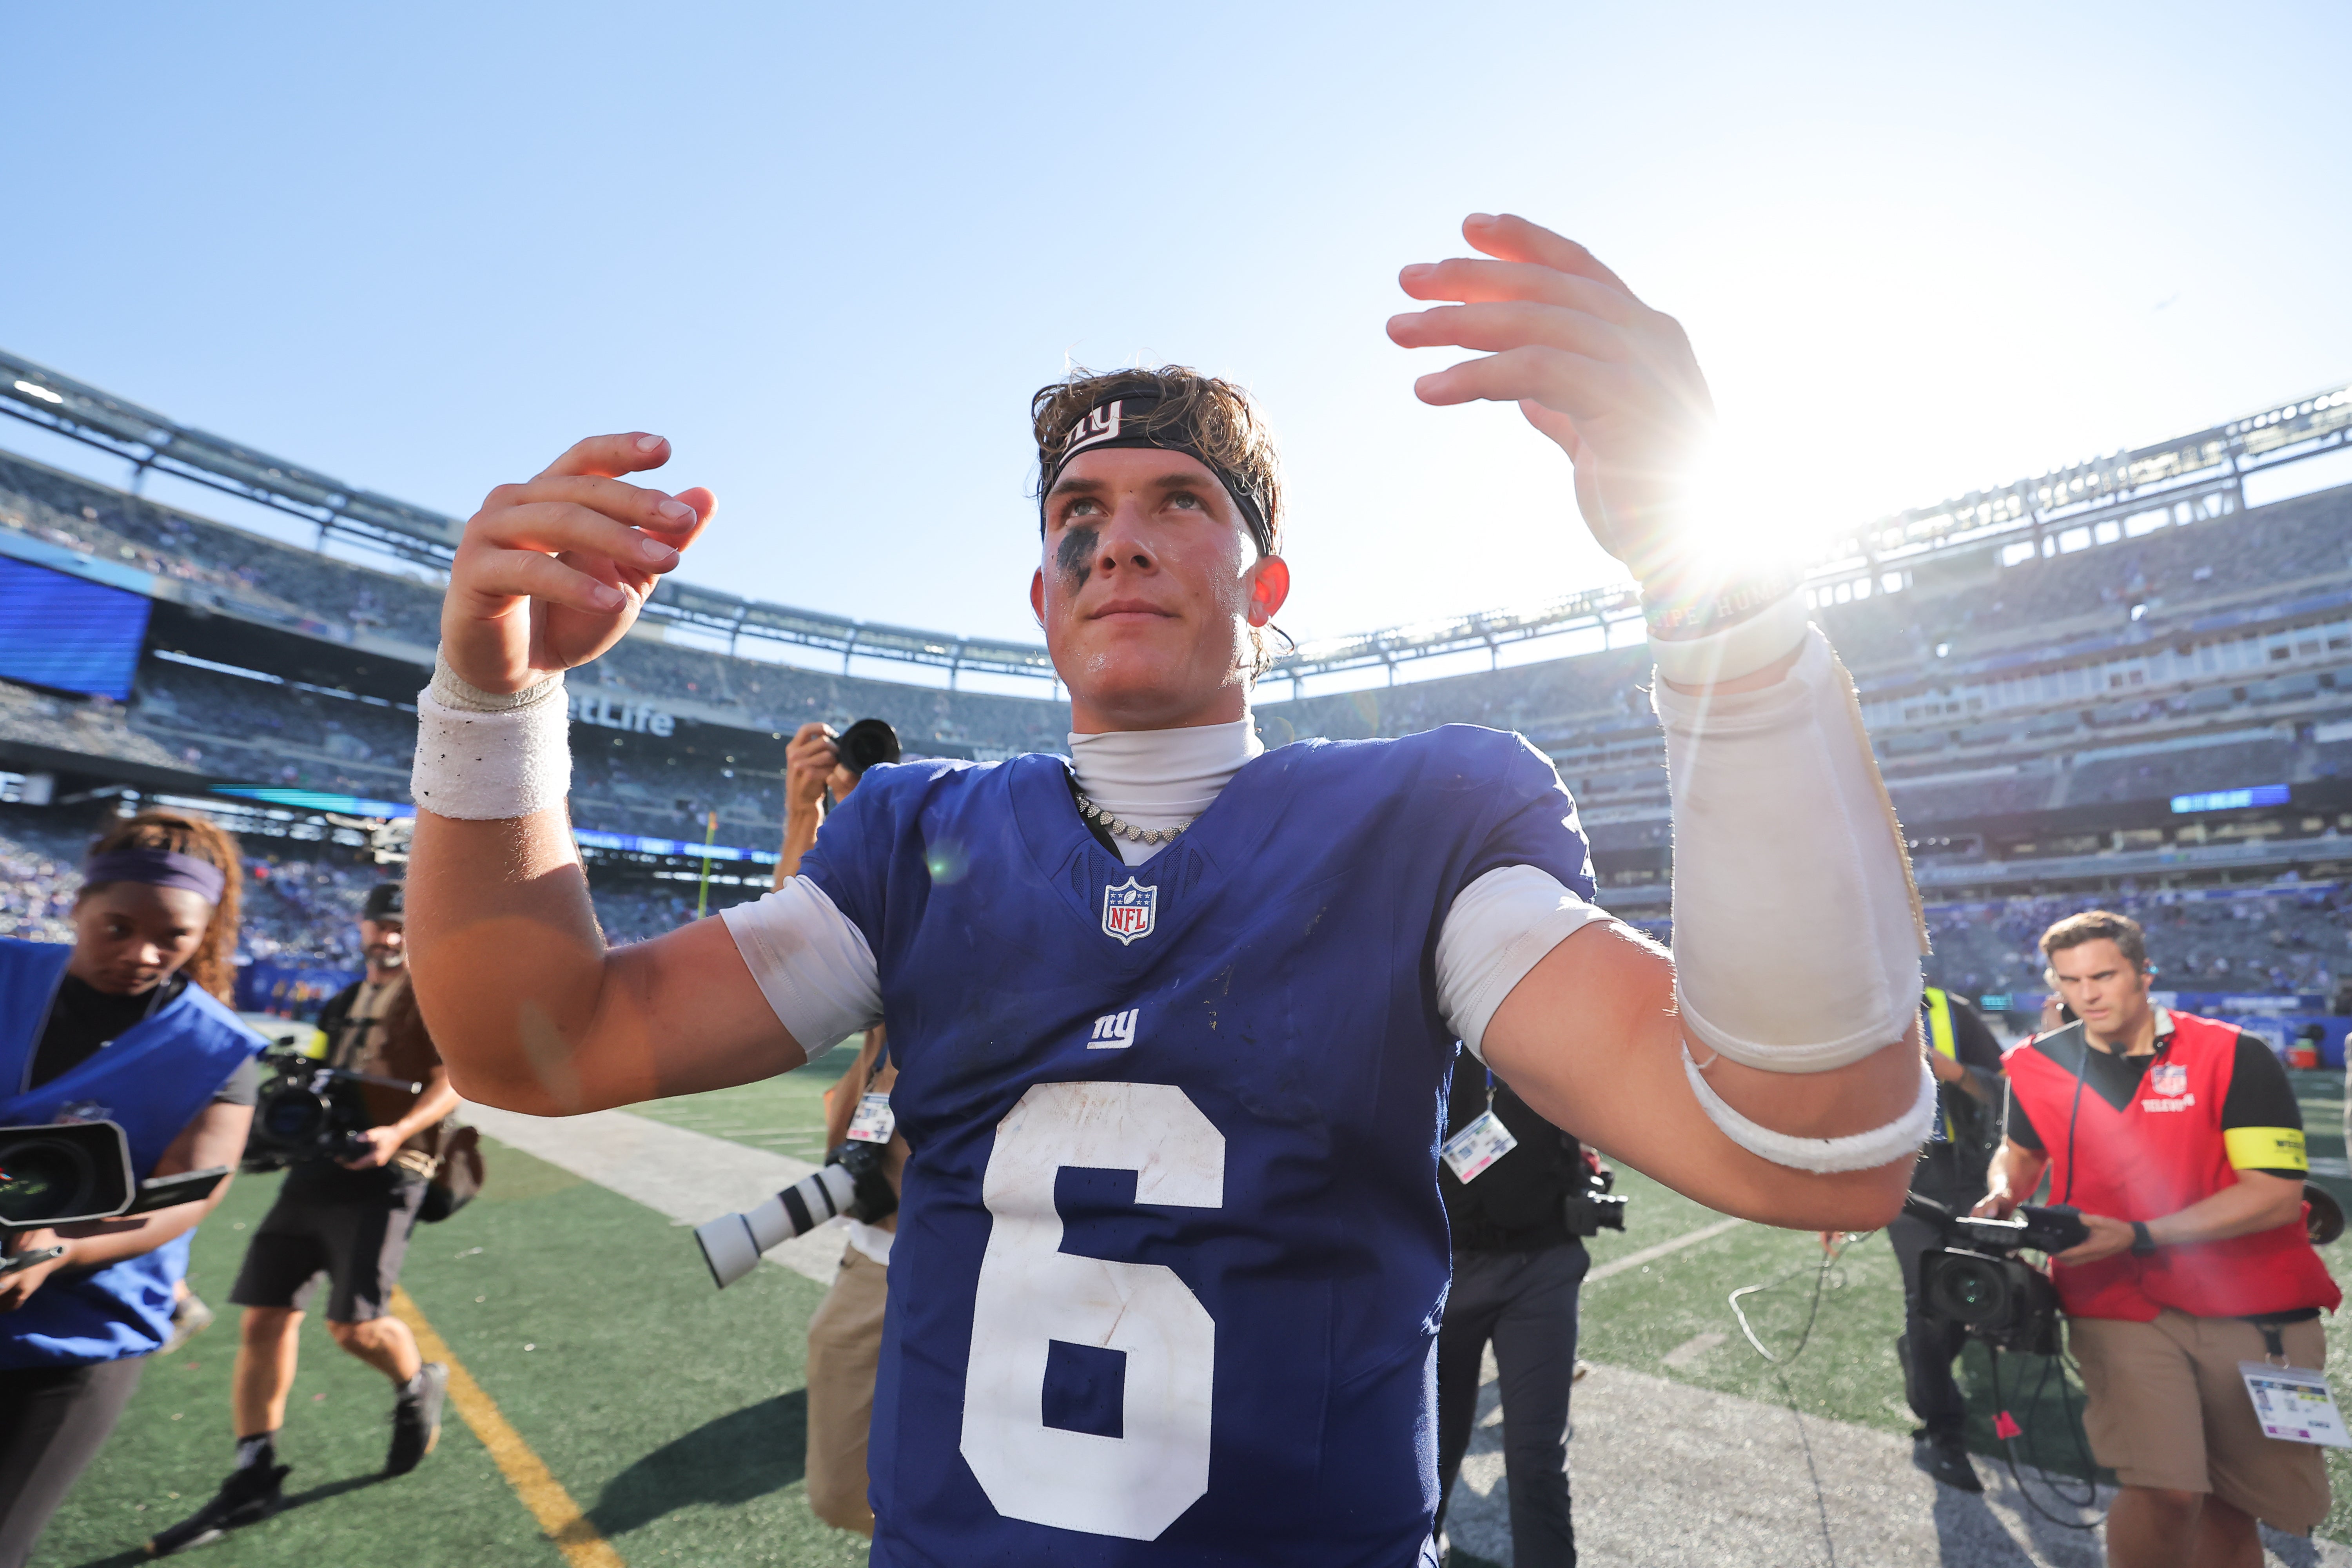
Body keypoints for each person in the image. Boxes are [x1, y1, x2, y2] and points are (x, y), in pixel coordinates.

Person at [407, 212, 1936, 1562]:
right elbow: (537, 1041)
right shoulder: (915, 843)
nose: (1118, 539)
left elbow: (1814, 1149)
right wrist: (493, 699)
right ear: (1039, 600)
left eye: (1177, 503)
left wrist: (1722, 599)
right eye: (1080, 517)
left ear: (1266, 590)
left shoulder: (1416, 825)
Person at [1977, 910, 2337, 1567]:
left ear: (2146, 973)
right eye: (2069, 980)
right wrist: (2003, 1189)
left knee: (2235, 1507)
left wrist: (2142, 1234)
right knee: (2167, 1490)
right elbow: (2019, 1152)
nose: (2087, 994)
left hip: (2254, 1308)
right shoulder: (2035, 1065)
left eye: (2103, 975)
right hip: (2115, 1303)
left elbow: (2275, 1192)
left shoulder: (2235, 1053)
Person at [149, 880, 461, 1557]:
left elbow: (454, 1080)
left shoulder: (436, 996)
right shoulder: (345, 998)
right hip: (319, 1166)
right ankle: (252, 1471)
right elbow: (320, 1071)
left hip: (390, 1171)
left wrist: (396, 1131)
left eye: (403, 927)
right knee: (264, 1314)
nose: (391, 938)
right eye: (381, 925)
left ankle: (416, 1384)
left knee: (354, 1327)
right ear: (363, 927)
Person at [0, 811, 263, 1568]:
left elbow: (187, 1194)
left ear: (203, 933)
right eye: (116, 926)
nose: (140, 954)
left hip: (78, 1335)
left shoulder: (219, 1048)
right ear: (78, 905)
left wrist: (59, 1247)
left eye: (173, 938)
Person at [775, 722, 910, 1536]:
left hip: (967, 1240)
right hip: (883, 1233)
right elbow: (799, 956)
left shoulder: (961, 896)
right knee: (840, 1487)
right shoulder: (887, 916)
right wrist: (805, 817)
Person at [1433, 1065, 1598, 1566]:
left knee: (1536, 1456)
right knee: (1430, 1445)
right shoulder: (1417, 997)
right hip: (1444, 1263)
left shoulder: (1556, 1005)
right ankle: (1414, 1550)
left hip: (1540, 1262)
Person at [1887, 985, 2004, 1492]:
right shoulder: (1850, 1007)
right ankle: (1945, 1433)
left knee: (1975, 1297)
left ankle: (1921, 1359)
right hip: (1903, 1180)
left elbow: (2005, 1086)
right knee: (1929, 1302)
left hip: (1970, 1175)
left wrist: (1953, 1072)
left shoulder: (1952, 1008)